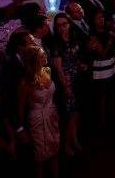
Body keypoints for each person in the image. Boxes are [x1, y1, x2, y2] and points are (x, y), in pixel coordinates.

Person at [19, 46, 60, 178]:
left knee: (55, 151)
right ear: (34, 60)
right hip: (37, 120)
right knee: (40, 158)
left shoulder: (47, 70)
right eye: (42, 56)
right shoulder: (25, 83)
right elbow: (20, 108)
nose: (45, 57)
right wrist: (21, 129)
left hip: (51, 116)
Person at [48, 13, 83, 157]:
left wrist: (81, 65)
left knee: (76, 113)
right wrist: (66, 87)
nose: (62, 28)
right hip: (67, 81)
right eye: (59, 25)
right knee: (69, 116)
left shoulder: (73, 37)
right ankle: (66, 145)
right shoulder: (56, 44)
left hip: (77, 79)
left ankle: (74, 139)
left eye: (65, 24)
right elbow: (58, 68)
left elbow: (75, 57)